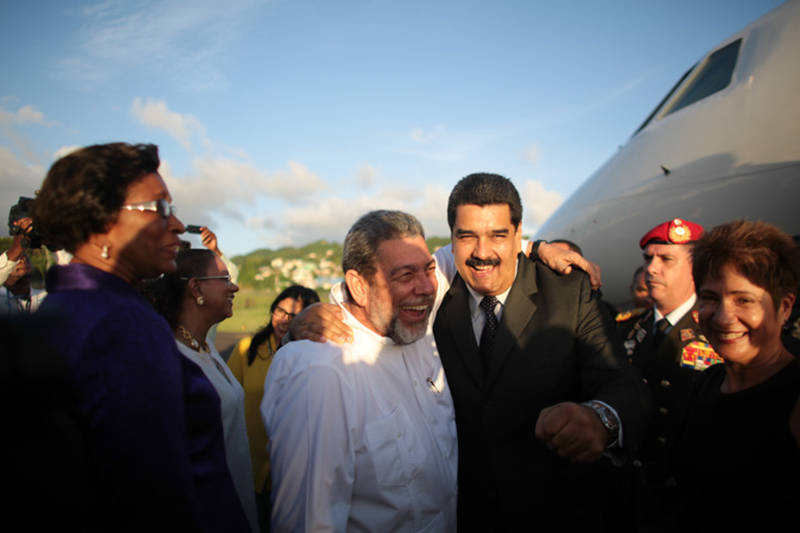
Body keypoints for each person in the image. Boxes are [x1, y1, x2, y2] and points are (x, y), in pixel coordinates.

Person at [31, 143, 250, 531]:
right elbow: (153, 496)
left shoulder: (65, 306)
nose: (179, 225)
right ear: (102, 223)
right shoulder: (124, 325)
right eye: (160, 208)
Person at [432, 173, 649, 532]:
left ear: (519, 236)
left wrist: (601, 419)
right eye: (467, 235)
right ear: (452, 239)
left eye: (498, 235)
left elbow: (623, 383)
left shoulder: (569, 291)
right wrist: (324, 314)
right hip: (463, 514)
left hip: (556, 510)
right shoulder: (430, 298)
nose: (482, 252)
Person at [261, 210, 458, 532]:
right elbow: (310, 523)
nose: (426, 288)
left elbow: (476, 244)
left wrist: (538, 248)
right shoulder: (322, 373)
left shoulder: (414, 315)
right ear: (359, 286)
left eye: (429, 269)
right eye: (406, 275)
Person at [671, 220, 800, 530]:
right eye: (711, 298)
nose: (725, 317)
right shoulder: (707, 382)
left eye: (745, 300)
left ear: (784, 308)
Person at [142, 249, 259, 533]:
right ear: (196, 288)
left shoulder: (203, 342)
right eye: (225, 278)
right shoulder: (171, 360)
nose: (235, 286)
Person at [617, 219, 723, 494]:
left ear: (695, 269)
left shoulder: (719, 329)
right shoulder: (625, 327)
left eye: (666, 259)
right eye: (648, 258)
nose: (651, 269)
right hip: (626, 484)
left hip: (687, 489)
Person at [227, 284, 320, 533]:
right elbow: (228, 401)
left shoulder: (317, 358)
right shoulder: (247, 348)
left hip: (294, 471)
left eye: (294, 315)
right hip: (249, 465)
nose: (284, 320)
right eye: (280, 311)